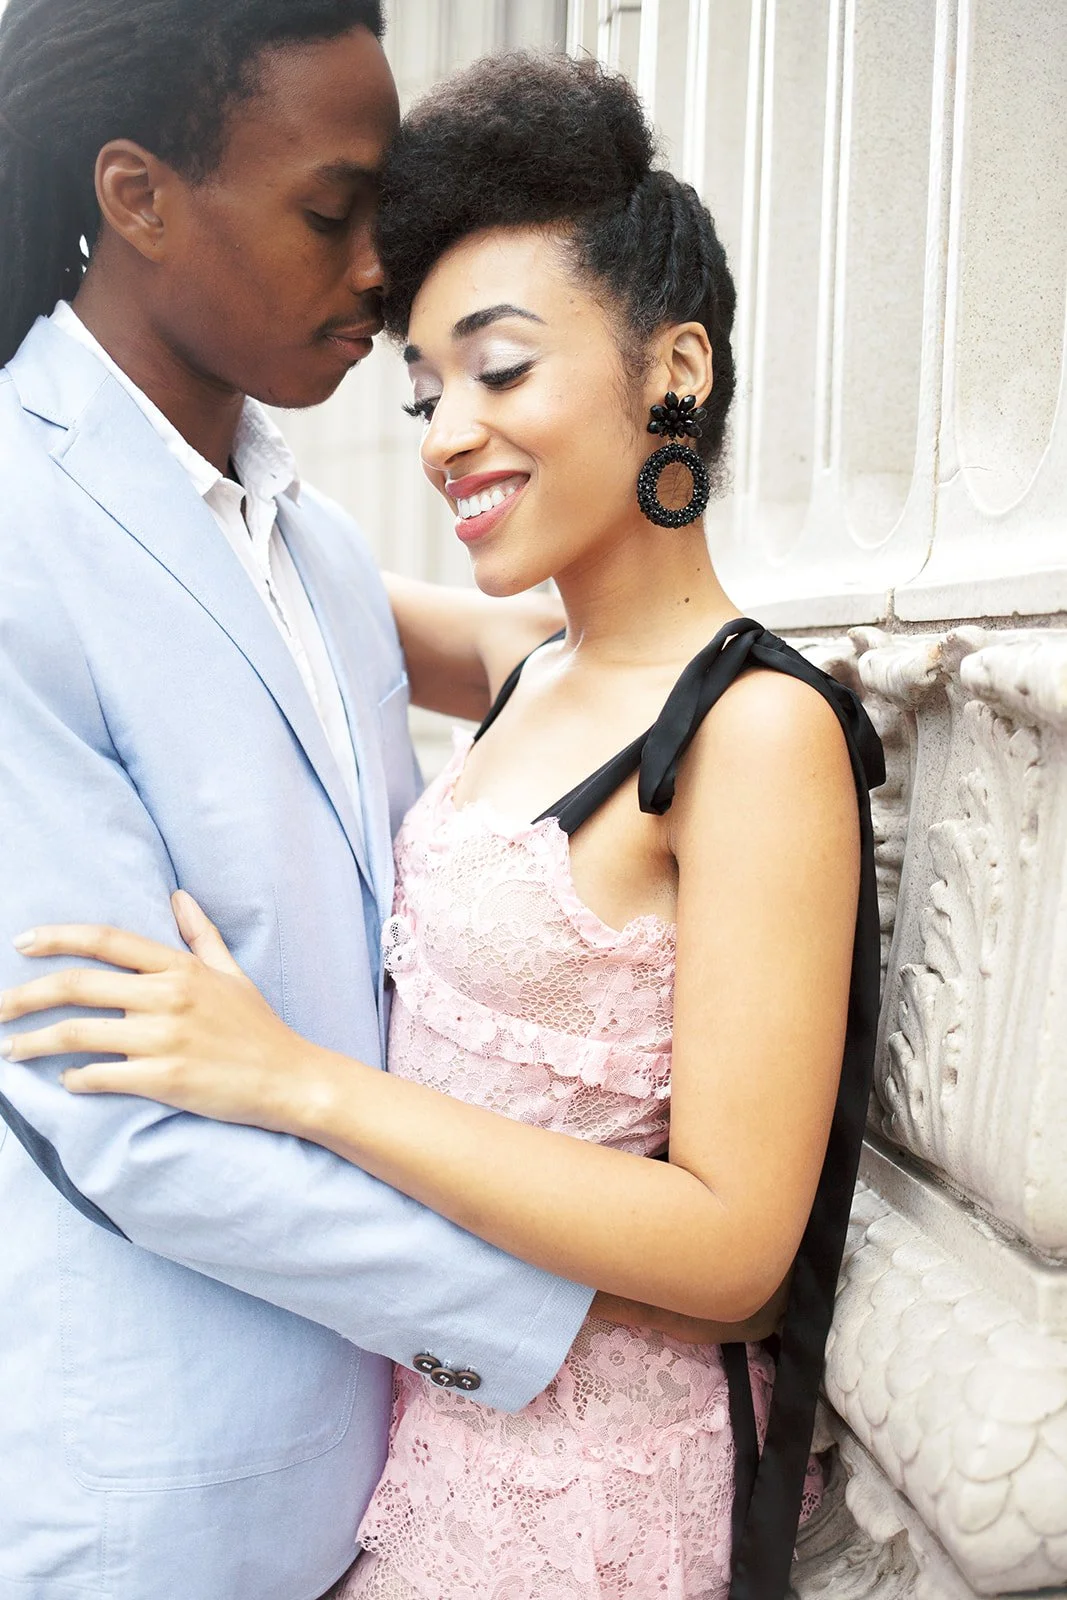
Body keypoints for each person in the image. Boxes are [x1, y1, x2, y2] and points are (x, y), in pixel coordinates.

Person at [1, 52, 885, 1600]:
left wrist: (298, 1084)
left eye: (498, 370)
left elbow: (737, 1249)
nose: (442, 437)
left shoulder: (745, 732)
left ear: (671, 369)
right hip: (389, 1459)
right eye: (427, 387)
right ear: (133, 196)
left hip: (588, 1478)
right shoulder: (516, 660)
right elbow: (228, 592)